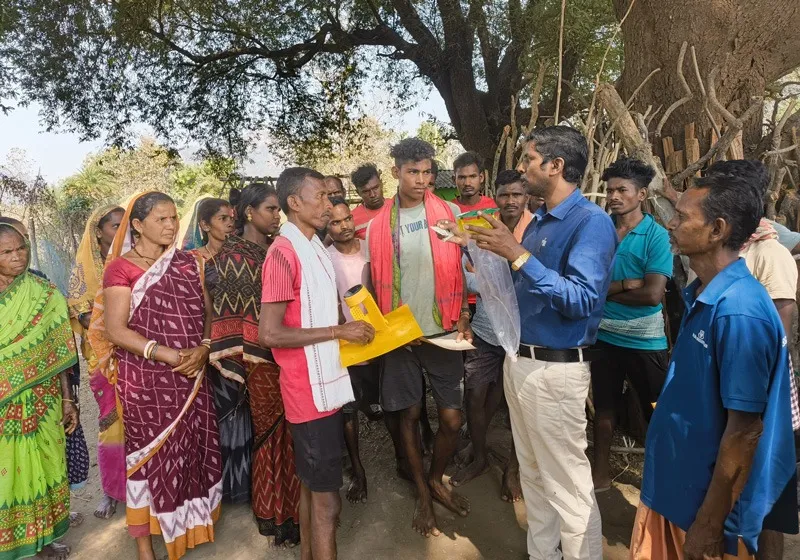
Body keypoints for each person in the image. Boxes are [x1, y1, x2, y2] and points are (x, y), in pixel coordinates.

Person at [630, 167, 798, 560]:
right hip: (677, 491)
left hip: (704, 509)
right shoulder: (703, 295)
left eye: (683, 216)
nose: (670, 222)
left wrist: (708, 524)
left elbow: (744, 432)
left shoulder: (739, 311)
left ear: (718, 229)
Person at [466, 126, 615, 560]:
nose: (522, 167)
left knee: (567, 486)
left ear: (555, 166)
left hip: (556, 370)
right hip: (521, 361)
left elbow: (582, 300)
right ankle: (544, 554)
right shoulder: (540, 222)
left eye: (529, 159)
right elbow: (517, 288)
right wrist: (478, 249)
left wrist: (517, 254)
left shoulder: (591, 223)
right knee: (532, 474)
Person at [89, 192, 222, 560]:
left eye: (174, 218)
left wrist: (205, 347)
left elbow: (207, 313)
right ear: (137, 225)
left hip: (191, 374)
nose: (170, 225)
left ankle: (185, 530)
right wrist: (167, 354)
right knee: (146, 459)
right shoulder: (122, 268)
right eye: (161, 219)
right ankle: (145, 548)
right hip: (147, 380)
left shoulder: (188, 263)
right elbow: (116, 329)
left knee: (189, 453)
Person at [259, 167, 375, 560]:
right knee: (329, 504)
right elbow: (270, 334)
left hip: (323, 385)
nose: (330, 204)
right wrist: (338, 333)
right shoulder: (283, 254)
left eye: (330, 197)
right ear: (294, 202)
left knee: (313, 488)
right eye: (321, 197)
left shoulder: (312, 249)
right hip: (307, 392)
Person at [366, 137, 473, 537]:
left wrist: (463, 313)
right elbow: (374, 282)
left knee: (451, 418)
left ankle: (435, 476)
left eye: (428, 172)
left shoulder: (448, 213)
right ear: (395, 172)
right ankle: (425, 497)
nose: (422, 180)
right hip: (399, 338)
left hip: (443, 333)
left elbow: (462, 267)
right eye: (414, 172)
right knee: (408, 418)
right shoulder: (377, 226)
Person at [707, 160, 800, 560]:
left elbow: (778, 327)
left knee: (765, 501)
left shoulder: (769, 252)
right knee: (733, 490)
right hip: (733, 386)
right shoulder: (732, 250)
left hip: (760, 394)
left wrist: (753, 401)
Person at [207, 183, 301, 544]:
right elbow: (234, 316)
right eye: (271, 209)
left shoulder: (277, 250)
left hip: (292, 353)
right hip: (258, 362)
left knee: (293, 435)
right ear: (248, 213)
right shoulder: (233, 258)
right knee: (272, 436)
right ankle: (276, 514)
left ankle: (295, 508)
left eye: (279, 210)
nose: (277, 216)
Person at [590, 158, 672, 493]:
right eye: (610, 189)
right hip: (603, 337)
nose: (613, 196)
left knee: (657, 410)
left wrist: (601, 294)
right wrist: (623, 286)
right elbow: (588, 288)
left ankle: (661, 479)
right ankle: (600, 474)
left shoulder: (656, 236)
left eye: (622, 190)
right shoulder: (599, 230)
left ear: (641, 194)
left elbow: (653, 295)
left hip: (644, 340)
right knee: (604, 409)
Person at [0, 221, 80, 560]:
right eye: (6, 252)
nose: (18, 257)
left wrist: (67, 399)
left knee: (46, 465)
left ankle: (45, 540)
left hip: (43, 400)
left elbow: (59, 350)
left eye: (21, 249)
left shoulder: (43, 293)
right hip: (4, 407)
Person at [448, 169, 529, 502]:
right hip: (485, 330)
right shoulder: (481, 230)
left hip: (524, 336)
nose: (510, 201)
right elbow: (470, 280)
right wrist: (466, 312)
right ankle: (480, 456)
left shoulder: (535, 231)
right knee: (475, 396)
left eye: (516, 194)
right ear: (494, 195)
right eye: (504, 194)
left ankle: (513, 468)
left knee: (518, 406)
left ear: (527, 197)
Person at [67, 204, 126, 519]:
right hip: (104, 359)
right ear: (98, 230)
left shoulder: (135, 258)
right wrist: (121, 320)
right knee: (110, 426)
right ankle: (112, 491)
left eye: (124, 225)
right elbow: (86, 317)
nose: (121, 231)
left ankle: (143, 487)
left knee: (143, 423)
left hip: (138, 355)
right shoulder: (85, 268)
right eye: (114, 226)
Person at [326, 198, 379, 505]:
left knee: (390, 399)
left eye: (347, 219)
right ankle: (358, 470)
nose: (344, 226)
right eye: (335, 222)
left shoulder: (370, 249)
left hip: (379, 338)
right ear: (327, 226)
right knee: (349, 410)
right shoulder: (326, 257)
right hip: (347, 343)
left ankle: (406, 455)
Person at [350, 164, 386, 239]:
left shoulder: (396, 206)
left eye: (375, 188)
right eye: (366, 191)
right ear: (358, 193)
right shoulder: (352, 219)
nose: (372, 195)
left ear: (381, 184)